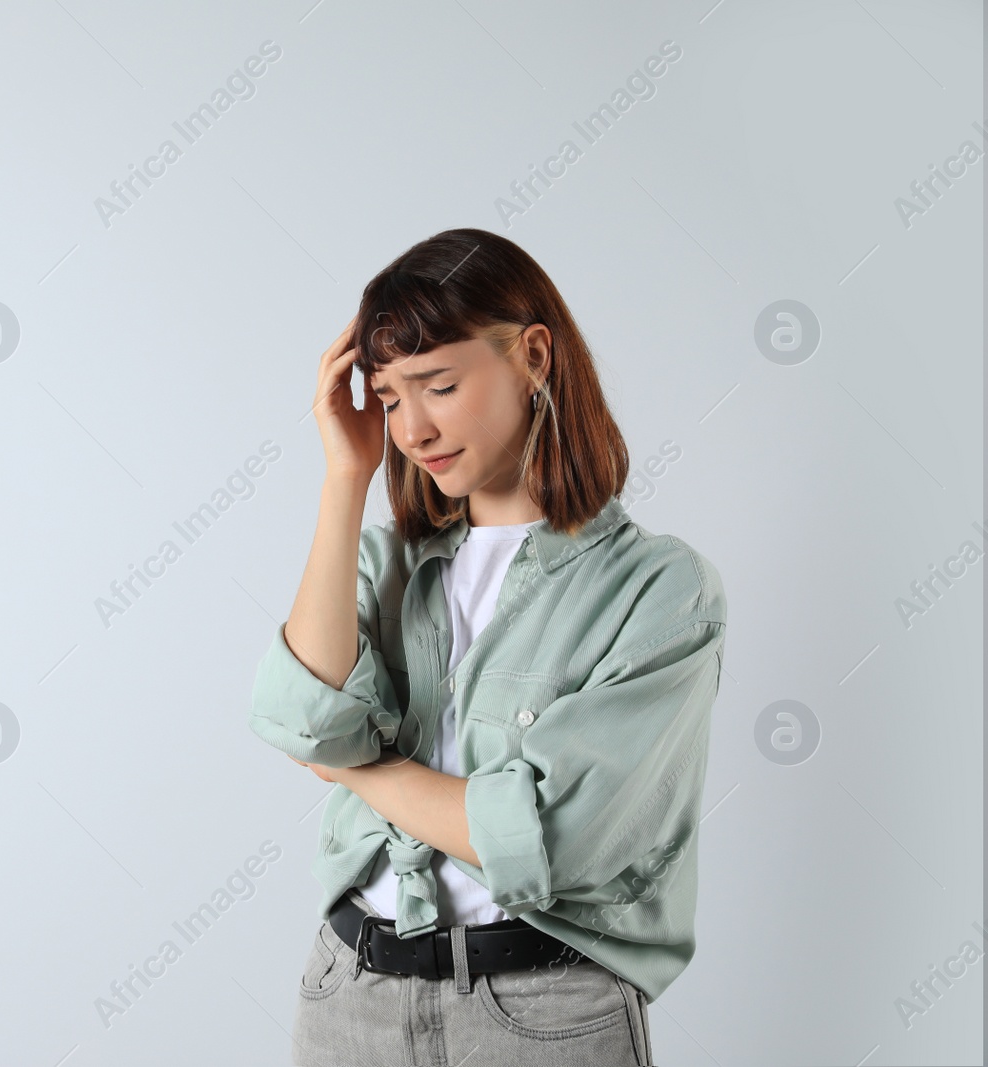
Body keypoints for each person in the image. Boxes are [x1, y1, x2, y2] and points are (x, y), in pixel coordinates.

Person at [248, 228, 727, 1067]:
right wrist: (343, 479)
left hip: (543, 1009)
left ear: (534, 356)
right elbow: (300, 716)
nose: (412, 428)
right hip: (348, 993)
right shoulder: (384, 563)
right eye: (392, 398)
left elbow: (551, 836)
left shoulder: (658, 590)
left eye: (438, 384)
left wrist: (360, 768)